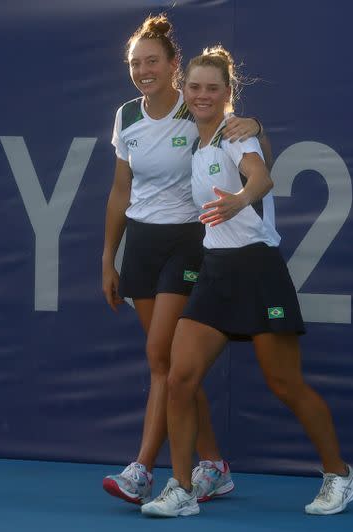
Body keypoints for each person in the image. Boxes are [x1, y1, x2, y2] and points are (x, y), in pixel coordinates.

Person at [140, 45, 353, 518]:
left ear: (227, 94)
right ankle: (181, 487)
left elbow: (260, 176)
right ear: (184, 90)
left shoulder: (237, 135)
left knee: (285, 384)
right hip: (215, 271)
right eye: (195, 87)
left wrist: (242, 198)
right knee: (180, 380)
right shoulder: (197, 141)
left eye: (213, 89)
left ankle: (340, 475)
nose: (202, 95)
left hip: (258, 270)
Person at [102, 14, 269, 505]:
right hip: (142, 245)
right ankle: (213, 464)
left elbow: (236, 129)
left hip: (188, 242)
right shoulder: (126, 116)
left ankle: (141, 470)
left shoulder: (192, 109)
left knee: (161, 358)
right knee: (174, 367)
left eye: (152, 61)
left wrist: (256, 122)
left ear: (174, 65)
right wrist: (108, 258)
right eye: (136, 63)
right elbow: (119, 191)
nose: (143, 70)